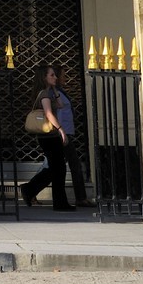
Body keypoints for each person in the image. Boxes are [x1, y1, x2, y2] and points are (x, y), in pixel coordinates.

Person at [21, 63, 88, 212]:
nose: (55, 77)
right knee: (58, 169)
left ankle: (30, 190)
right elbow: (49, 113)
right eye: (52, 75)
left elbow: (60, 105)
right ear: (44, 77)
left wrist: (53, 88)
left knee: (56, 169)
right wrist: (61, 129)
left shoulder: (49, 92)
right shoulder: (44, 95)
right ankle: (58, 202)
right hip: (49, 136)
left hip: (50, 136)